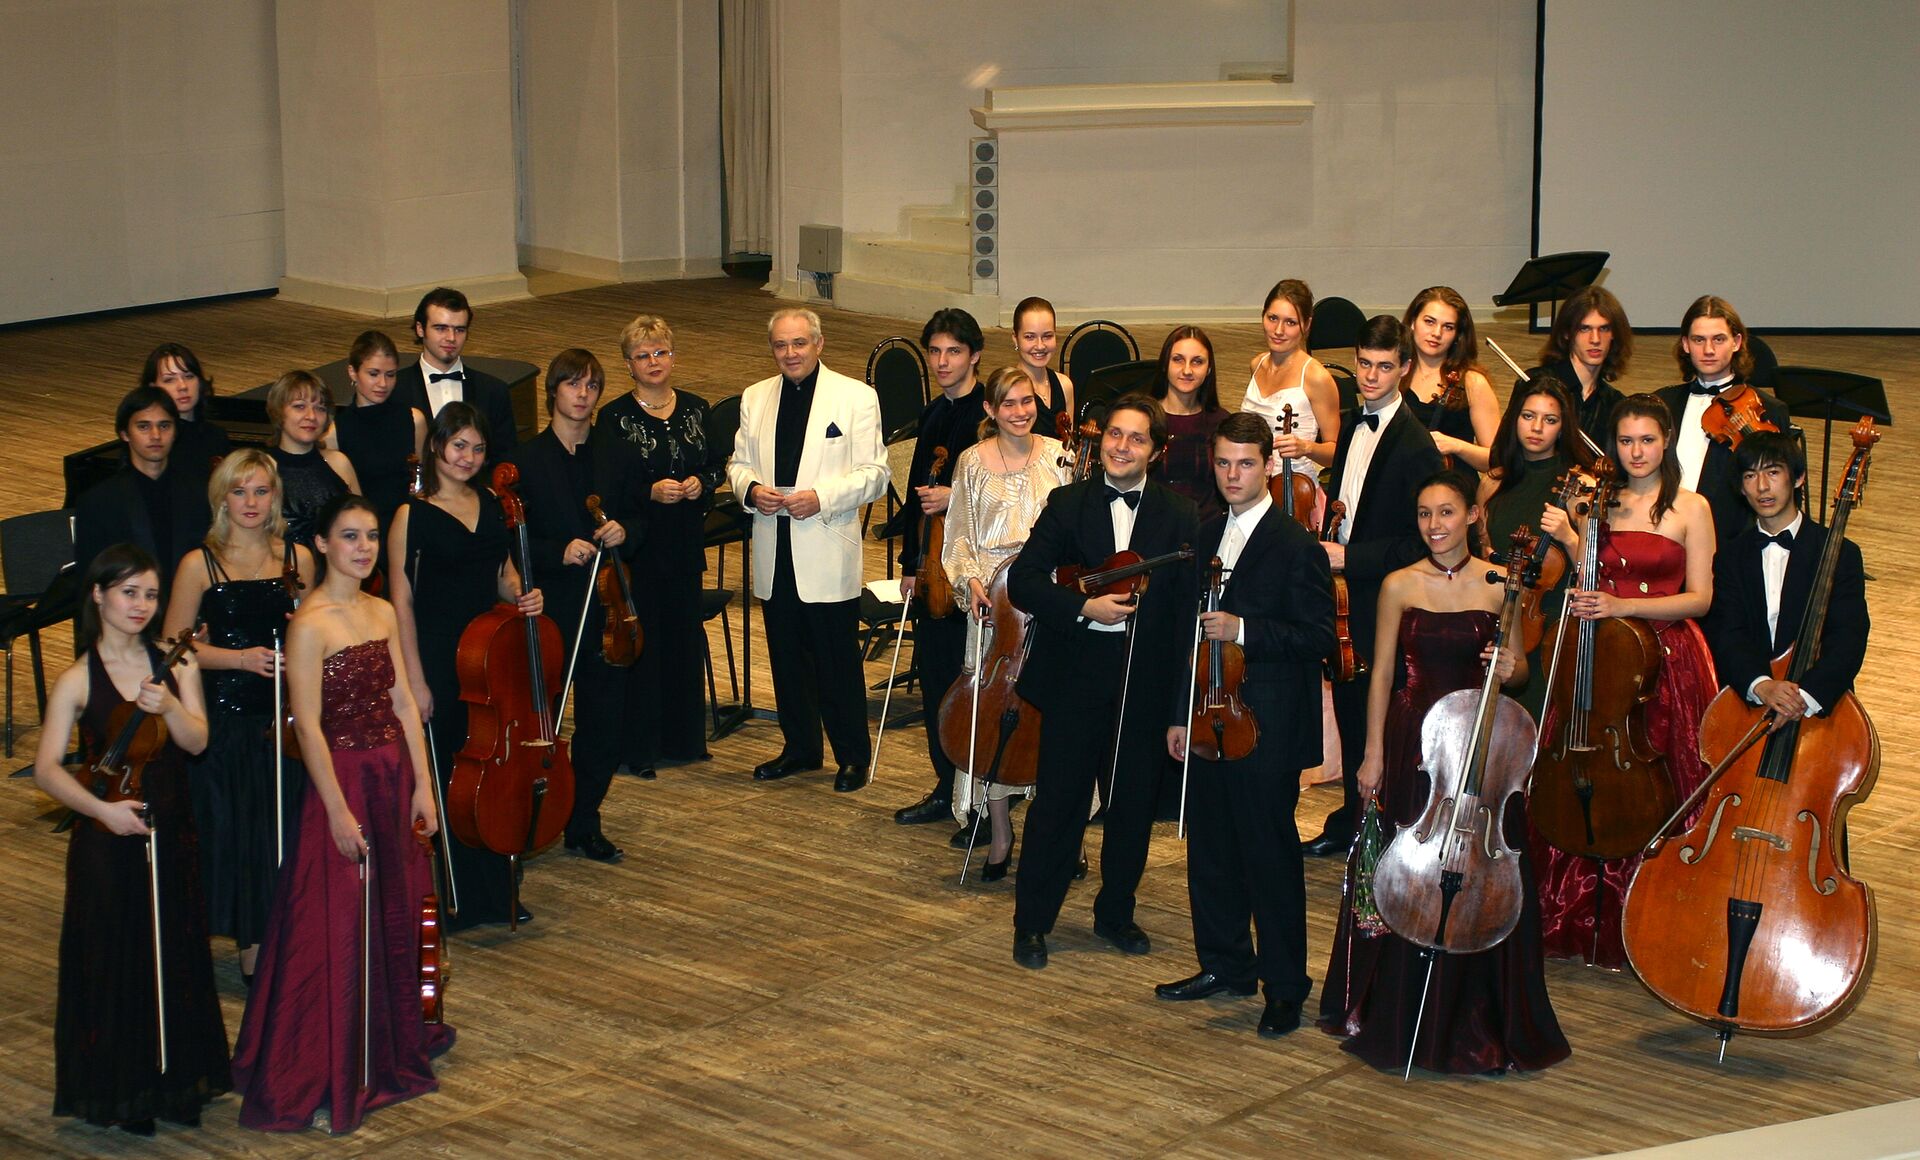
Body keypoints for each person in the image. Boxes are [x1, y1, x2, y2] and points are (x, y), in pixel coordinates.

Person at [1318, 472, 1569, 1074]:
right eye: (1425, 514)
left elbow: (1518, 671)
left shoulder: (1501, 583)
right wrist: (1372, 753)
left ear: (1472, 516)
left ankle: (1475, 1015)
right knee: (1408, 875)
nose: (1435, 525)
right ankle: (1397, 1012)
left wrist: (1510, 667)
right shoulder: (1399, 584)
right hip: (1414, 745)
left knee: (1481, 872)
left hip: (1478, 750)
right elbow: (1381, 675)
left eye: (1447, 512)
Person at [231, 494, 453, 1132]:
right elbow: (308, 728)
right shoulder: (310, 624)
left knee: (399, 909)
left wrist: (424, 787)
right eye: (350, 537)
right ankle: (333, 1053)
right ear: (323, 545)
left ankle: (391, 1040)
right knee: (337, 920)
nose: (363, 548)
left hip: (393, 775)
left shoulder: (382, 610)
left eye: (371, 536)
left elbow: (403, 703)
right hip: (344, 782)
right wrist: (334, 811)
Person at [35, 544, 228, 1134]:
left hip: (170, 827)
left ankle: (175, 1081)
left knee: (173, 950)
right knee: (115, 957)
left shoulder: (175, 662)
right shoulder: (76, 679)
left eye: (150, 595)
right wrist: (102, 810)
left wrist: (168, 706)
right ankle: (125, 1090)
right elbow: (47, 770)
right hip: (105, 834)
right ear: (98, 595)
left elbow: (197, 741)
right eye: (128, 593)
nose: (142, 605)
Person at [1008, 395, 1198, 969]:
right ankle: (1032, 922)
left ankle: (1115, 912)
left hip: (1145, 679)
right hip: (1076, 675)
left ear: (1156, 451)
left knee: (1132, 807)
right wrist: (1084, 607)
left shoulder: (1180, 515)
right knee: (1058, 804)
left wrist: (1179, 708)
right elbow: (1024, 581)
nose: (1121, 446)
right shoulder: (1069, 503)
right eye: (1115, 434)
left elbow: (1185, 617)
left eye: (1137, 438)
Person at [1159, 413, 1334, 1037]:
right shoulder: (1204, 532)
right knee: (1209, 850)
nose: (1233, 475)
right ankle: (1226, 964)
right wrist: (1180, 714)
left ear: (1267, 467)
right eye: (1224, 463)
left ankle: (1284, 987)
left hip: (1268, 727)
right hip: (1207, 719)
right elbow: (1185, 636)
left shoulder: (1295, 544)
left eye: (1246, 464)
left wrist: (1245, 631)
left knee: (1269, 859)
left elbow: (1317, 638)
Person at [1532, 393, 1717, 968]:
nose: (1636, 452)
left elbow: (1700, 599)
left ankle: (1655, 916)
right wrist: (1574, 542)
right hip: (1605, 658)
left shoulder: (1691, 507)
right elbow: (1591, 578)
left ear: (1667, 442)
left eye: (1647, 440)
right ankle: (1583, 913)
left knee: (1665, 779)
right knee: (1589, 771)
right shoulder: (1598, 505)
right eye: (1626, 441)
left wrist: (1622, 606)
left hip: (1667, 660)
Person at [163, 450, 314, 984]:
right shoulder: (198, 564)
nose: (251, 502)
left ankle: (285, 946)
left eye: (261, 491)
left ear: (275, 497)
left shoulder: (298, 558)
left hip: (284, 723)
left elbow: (313, 633)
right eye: (239, 491)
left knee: (283, 835)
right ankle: (254, 954)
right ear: (222, 499)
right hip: (227, 722)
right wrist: (239, 659)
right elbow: (172, 647)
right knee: (242, 839)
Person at [390, 402, 543, 929]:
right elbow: (401, 603)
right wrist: (414, 682)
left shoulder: (490, 502)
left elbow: (502, 572)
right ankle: (452, 896)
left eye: (477, 448)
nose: (468, 457)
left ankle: (495, 890)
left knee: (487, 777)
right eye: (459, 446)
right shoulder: (411, 514)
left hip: (485, 661)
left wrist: (523, 594)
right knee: (449, 778)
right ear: (437, 446)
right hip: (436, 656)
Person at [725, 308, 889, 791]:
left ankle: (852, 756)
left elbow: (876, 474)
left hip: (825, 546)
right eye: (781, 345)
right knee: (786, 658)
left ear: (819, 344)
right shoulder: (755, 397)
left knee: (837, 661)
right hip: (773, 547)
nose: (790, 353)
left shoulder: (856, 397)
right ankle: (800, 748)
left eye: (799, 343)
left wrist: (822, 497)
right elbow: (737, 464)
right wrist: (751, 490)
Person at [1306, 318, 1444, 856]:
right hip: (1344, 596)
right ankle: (1351, 819)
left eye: (1384, 366)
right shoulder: (1350, 423)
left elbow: (1422, 541)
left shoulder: (1415, 445)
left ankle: (1379, 831)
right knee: (1347, 703)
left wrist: (1351, 557)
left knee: (1375, 715)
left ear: (1404, 368)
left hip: (1381, 598)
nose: (1370, 376)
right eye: (1364, 363)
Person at [507, 350, 641, 862]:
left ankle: (584, 818)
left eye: (591, 386)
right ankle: (530, 817)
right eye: (572, 384)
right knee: (540, 721)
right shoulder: (526, 461)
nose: (582, 395)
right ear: (553, 392)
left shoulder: (616, 453)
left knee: (603, 724)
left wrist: (625, 530)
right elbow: (513, 541)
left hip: (608, 610)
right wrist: (556, 551)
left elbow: (641, 518)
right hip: (553, 610)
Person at [939, 366, 1071, 875]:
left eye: (1027, 401)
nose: (1020, 412)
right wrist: (971, 581)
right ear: (990, 410)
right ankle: (1000, 832)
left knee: (1056, 718)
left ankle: (1063, 836)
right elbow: (958, 536)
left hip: (1050, 598)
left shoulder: (1060, 455)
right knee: (994, 719)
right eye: (1009, 403)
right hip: (995, 606)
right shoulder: (971, 462)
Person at [596, 314, 725, 775]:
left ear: (673, 356)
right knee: (644, 644)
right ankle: (642, 748)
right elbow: (606, 486)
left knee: (682, 640)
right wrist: (649, 492)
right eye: (642, 355)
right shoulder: (613, 418)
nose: (653, 361)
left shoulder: (696, 408)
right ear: (628, 365)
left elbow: (718, 466)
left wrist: (700, 483)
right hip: (641, 546)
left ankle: (684, 741)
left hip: (685, 543)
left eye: (660, 352)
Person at [1703, 430, 1868, 732]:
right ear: (1740, 487)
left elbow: (1849, 637)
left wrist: (1803, 697)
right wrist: (1761, 685)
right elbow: (1726, 633)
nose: (1762, 487)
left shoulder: (1840, 553)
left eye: (1773, 472)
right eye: (1750, 476)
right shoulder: (1730, 556)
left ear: (1798, 478)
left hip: (1819, 709)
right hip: (1750, 705)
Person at [891, 309, 986, 831]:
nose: (943, 361)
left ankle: (982, 798)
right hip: (931, 571)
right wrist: (910, 563)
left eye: (954, 351)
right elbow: (914, 502)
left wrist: (957, 494)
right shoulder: (931, 414)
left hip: (974, 573)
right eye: (935, 351)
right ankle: (945, 786)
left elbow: (1007, 488)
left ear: (974, 356)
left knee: (972, 688)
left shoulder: (989, 415)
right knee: (935, 683)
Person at [1476, 377, 1593, 718]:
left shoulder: (1581, 486)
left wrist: (1568, 535)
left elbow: (1594, 570)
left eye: (1550, 420)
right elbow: (1483, 551)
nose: (1537, 428)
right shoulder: (1493, 482)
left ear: (1563, 427)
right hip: (1497, 614)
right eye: (1528, 416)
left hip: (1550, 627)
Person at [1654, 295, 1790, 549]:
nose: (1708, 350)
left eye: (1718, 339)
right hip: (1664, 535)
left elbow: (1782, 492)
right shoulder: (1662, 403)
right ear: (1685, 344)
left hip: (1733, 543)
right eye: (1698, 340)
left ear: (1736, 342)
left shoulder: (1768, 409)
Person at [73, 387, 212, 599]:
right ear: (124, 434)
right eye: (143, 426)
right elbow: (89, 584)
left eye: (164, 426)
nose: (156, 435)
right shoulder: (98, 502)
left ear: (175, 431)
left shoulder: (200, 494)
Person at [1240, 278, 1341, 522]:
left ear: (1306, 325)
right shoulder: (1257, 364)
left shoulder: (1317, 377)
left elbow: (1337, 453)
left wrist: (1306, 448)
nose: (1278, 330)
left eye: (1290, 322)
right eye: (1272, 318)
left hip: (1295, 494)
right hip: (1252, 488)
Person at [395, 286, 519, 458]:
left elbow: (505, 457)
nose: (451, 338)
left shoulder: (493, 391)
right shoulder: (395, 389)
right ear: (420, 329)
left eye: (459, 330)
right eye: (441, 328)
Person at [329, 330, 426, 538]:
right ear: (353, 372)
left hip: (411, 527)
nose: (383, 384)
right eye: (373, 374)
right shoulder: (336, 432)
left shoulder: (413, 419)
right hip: (365, 534)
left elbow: (426, 478)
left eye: (390, 375)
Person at [1401, 287, 1499, 474]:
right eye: (1429, 322)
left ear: (1458, 335)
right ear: (1413, 322)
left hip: (1454, 484)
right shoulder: (1395, 373)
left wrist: (1456, 446)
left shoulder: (1473, 382)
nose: (1437, 333)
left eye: (1448, 327)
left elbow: (1496, 459)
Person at [266, 370, 361, 552]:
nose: (311, 416)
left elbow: (361, 526)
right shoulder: (264, 467)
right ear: (278, 412)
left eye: (320, 408)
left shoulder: (339, 463)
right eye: (299, 406)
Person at [1147, 325, 1230, 523]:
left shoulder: (1221, 421)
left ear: (1209, 369)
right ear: (1165, 364)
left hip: (1207, 527)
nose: (1187, 370)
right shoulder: (1143, 418)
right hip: (1152, 525)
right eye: (1178, 359)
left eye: (1197, 362)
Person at [1527, 286, 1631, 439]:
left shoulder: (1615, 403)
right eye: (1584, 329)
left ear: (1614, 334)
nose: (1595, 339)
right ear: (1567, 333)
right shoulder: (1536, 383)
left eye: (1603, 329)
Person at [140, 342, 230, 478]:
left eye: (189, 376)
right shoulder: (152, 440)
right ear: (153, 388)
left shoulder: (216, 435)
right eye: (169, 380)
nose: (182, 386)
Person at [1010, 296, 1076, 432]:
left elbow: (1068, 441)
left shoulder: (1065, 386)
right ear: (1015, 339)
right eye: (1030, 337)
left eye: (1047, 336)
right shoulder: (1008, 389)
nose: (1040, 346)